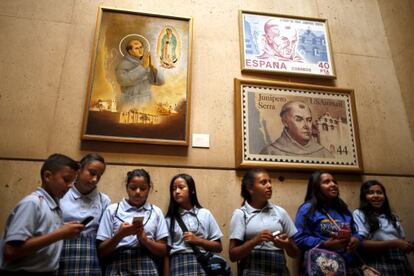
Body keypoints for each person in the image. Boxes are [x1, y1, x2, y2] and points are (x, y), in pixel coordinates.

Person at [0, 153, 84, 274]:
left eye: (72, 182)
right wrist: (60, 234)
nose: (70, 186)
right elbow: (11, 251)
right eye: (66, 180)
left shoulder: (53, 205)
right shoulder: (32, 203)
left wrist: (65, 231)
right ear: (47, 176)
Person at [96, 169, 168, 275]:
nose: (138, 192)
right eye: (133, 188)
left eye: (143, 188)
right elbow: (101, 251)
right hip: (117, 265)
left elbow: (163, 251)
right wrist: (119, 235)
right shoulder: (112, 210)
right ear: (127, 188)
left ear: (149, 189)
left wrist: (145, 240)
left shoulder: (156, 212)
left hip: (146, 266)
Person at [229, 168, 299, 275]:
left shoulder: (280, 212)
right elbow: (233, 255)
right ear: (250, 188)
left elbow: (295, 253)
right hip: (252, 271)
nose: (269, 185)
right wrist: (255, 240)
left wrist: (287, 245)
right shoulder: (240, 214)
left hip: (279, 270)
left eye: (270, 182)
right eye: (263, 182)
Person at [294, 171, 362, 275]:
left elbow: (355, 232)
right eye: (326, 182)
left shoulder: (343, 209)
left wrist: (356, 239)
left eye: (334, 181)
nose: (333, 184)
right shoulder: (307, 209)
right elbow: (299, 238)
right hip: (323, 266)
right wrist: (325, 244)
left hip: (348, 266)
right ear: (316, 187)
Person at [57, 153, 111, 275]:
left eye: (99, 175)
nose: (94, 180)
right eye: (92, 173)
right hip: (61, 251)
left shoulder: (104, 200)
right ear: (79, 169)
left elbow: (104, 236)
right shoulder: (62, 194)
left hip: (91, 256)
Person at [165, 173, 225, 275]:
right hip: (178, 265)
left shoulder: (205, 214)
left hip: (202, 264)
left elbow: (218, 247)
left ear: (192, 190)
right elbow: (166, 254)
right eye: (174, 189)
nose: (177, 191)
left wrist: (198, 241)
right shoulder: (169, 219)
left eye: (181, 187)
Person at [353, 180, 414, 275]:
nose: (376, 195)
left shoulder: (393, 216)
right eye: (370, 193)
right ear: (364, 197)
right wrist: (395, 243)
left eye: (379, 192)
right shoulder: (359, 214)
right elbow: (361, 243)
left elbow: (401, 241)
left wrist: (407, 246)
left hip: (400, 261)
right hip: (377, 260)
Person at [260, 101, 333, 158]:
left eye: (309, 120)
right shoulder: (270, 152)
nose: (306, 126)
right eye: (298, 119)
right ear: (285, 122)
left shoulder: (324, 153)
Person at [115, 36, 164, 112]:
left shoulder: (146, 62)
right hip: (129, 102)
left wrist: (153, 68)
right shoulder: (123, 64)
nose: (140, 50)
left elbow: (160, 82)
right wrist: (143, 67)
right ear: (130, 51)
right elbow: (123, 80)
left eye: (141, 47)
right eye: (136, 48)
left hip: (147, 101)